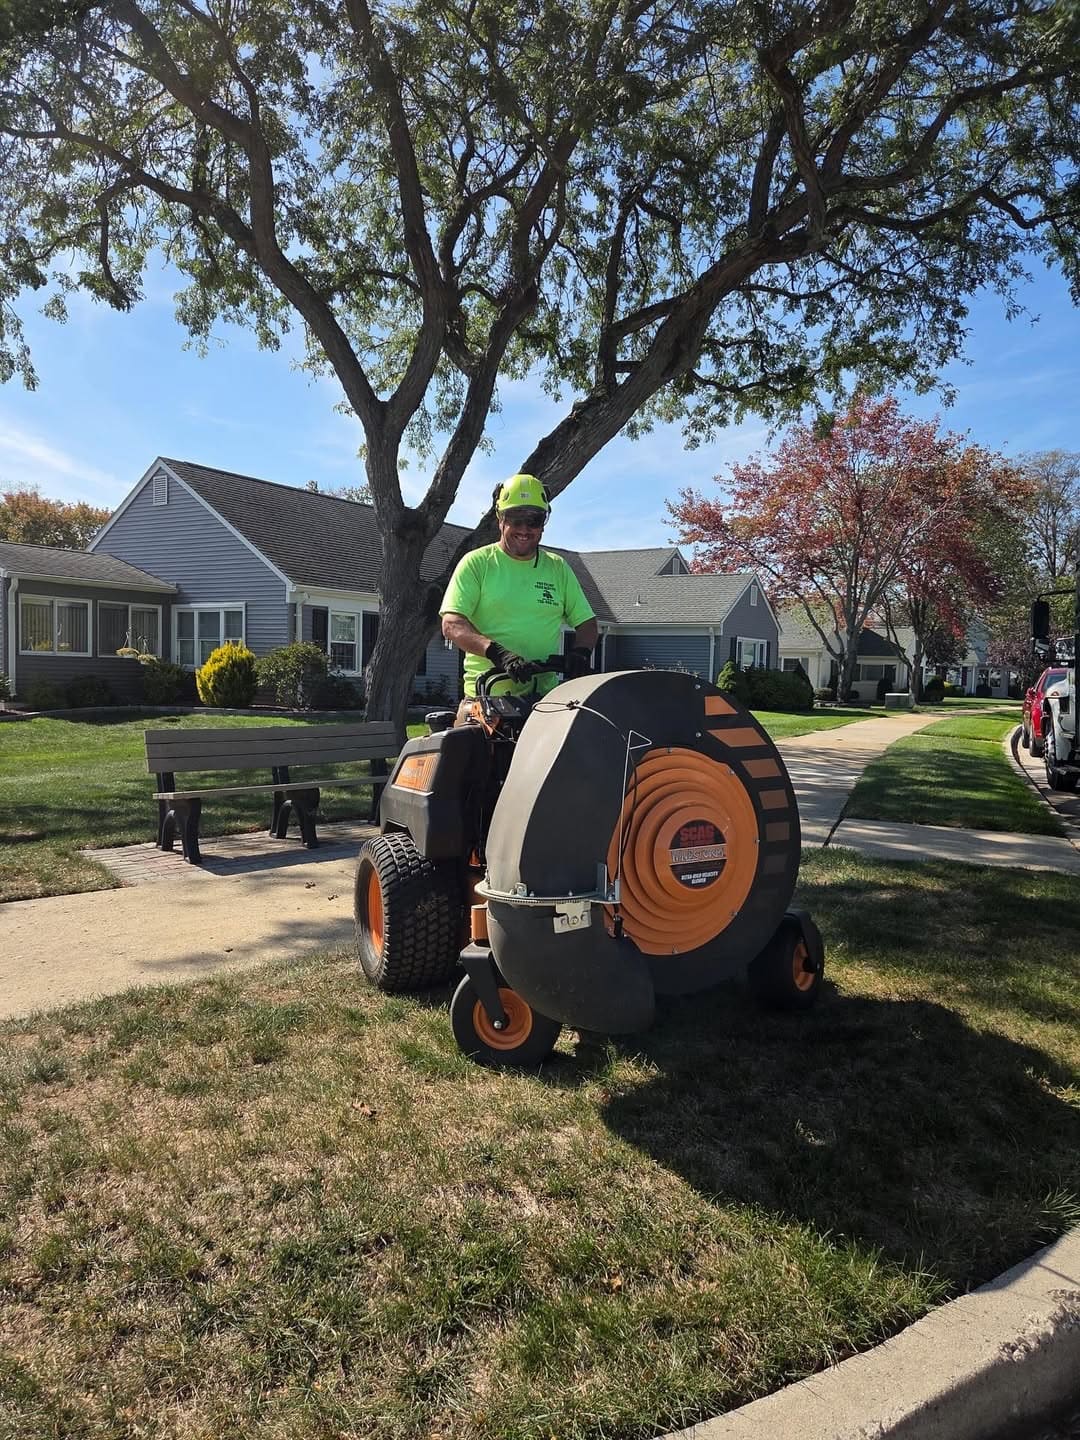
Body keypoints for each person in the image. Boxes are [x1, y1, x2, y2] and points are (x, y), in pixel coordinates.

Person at [440, 473, 599, 702]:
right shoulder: (477, 563)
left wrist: (580, 653)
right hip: (486, 699)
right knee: (463, 739)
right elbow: (452, 624)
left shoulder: (557, 568)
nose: (524, 529)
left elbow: (587, 624)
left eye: (534, 520)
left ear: (543, 523)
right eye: (515, 519)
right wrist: (498, 653)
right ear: (500, 518)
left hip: (545, 702)